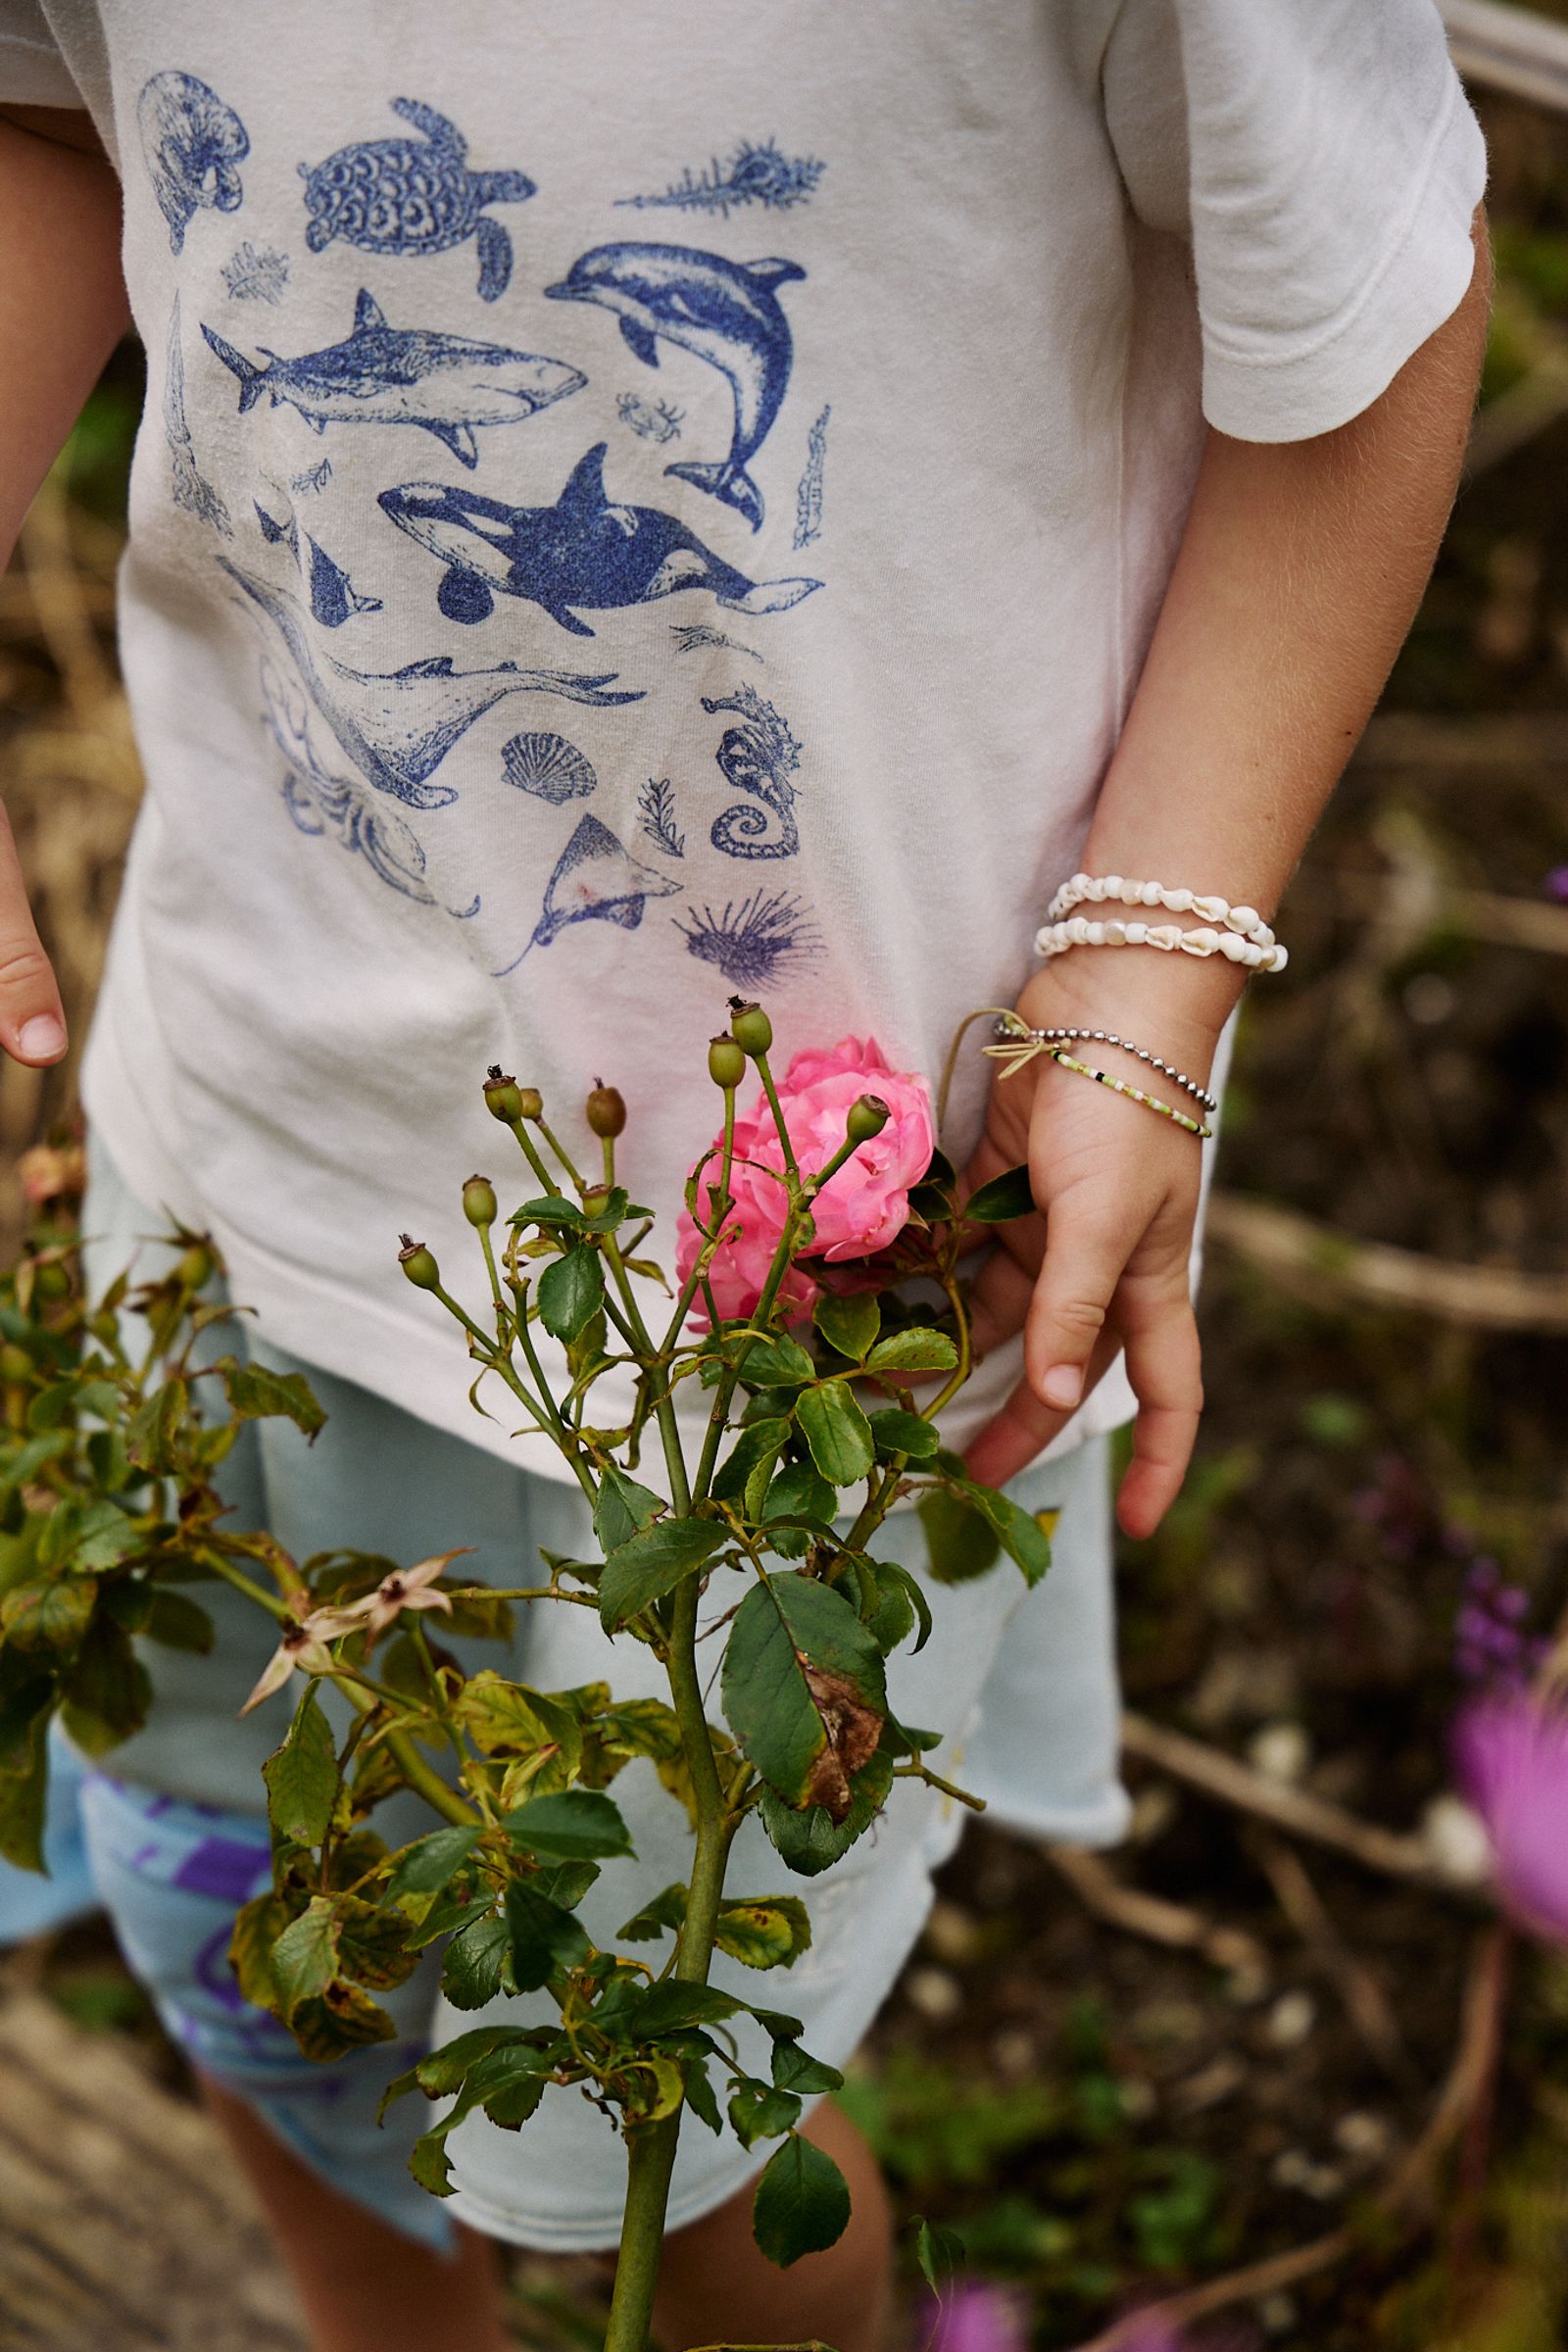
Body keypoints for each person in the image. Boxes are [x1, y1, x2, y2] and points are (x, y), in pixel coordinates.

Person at [0, 7, 1489, 2348]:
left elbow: (1366, 319)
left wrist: (1151, 968)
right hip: (260, 1120)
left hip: (815, 1293)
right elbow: (54, 121)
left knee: (654, 2150)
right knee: (258, 1945)